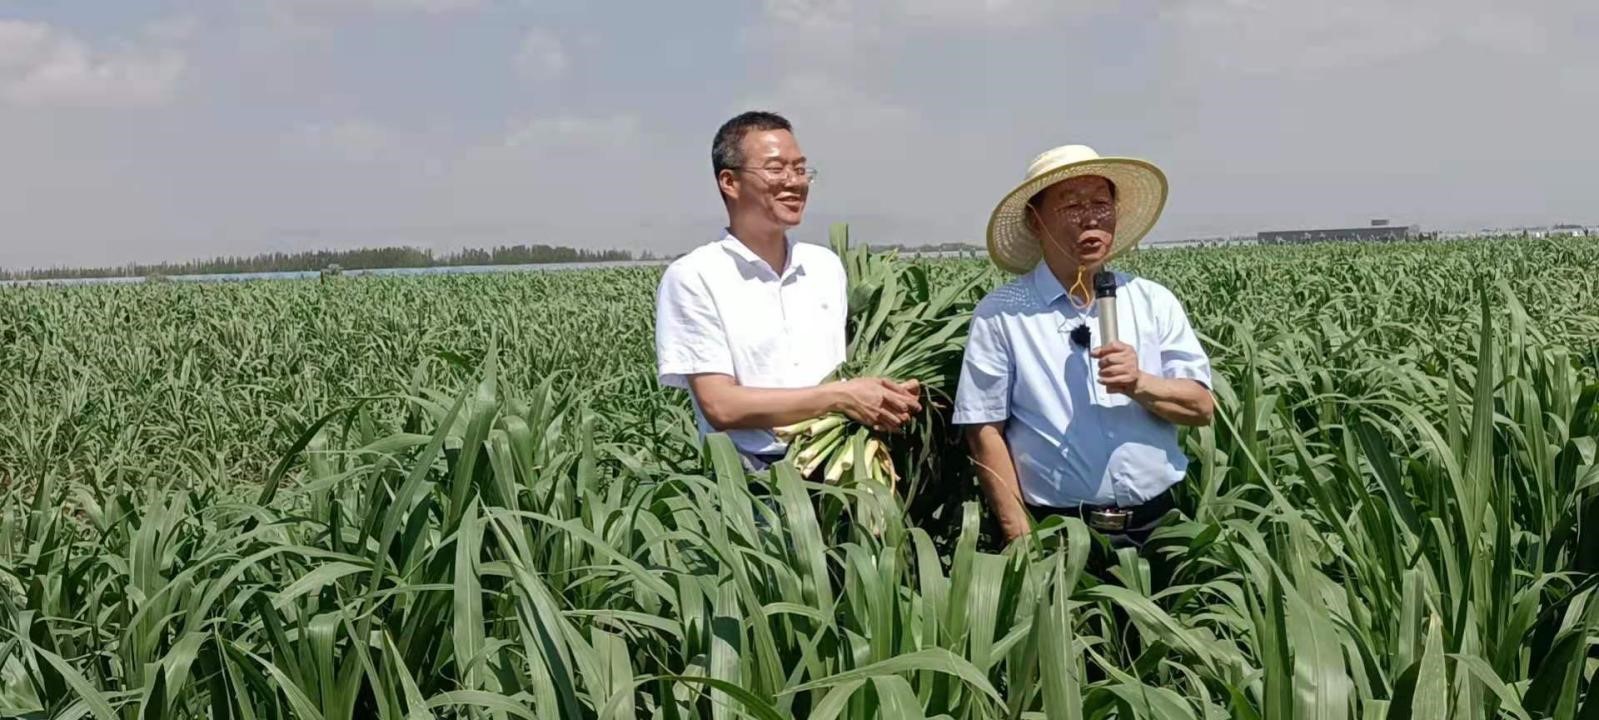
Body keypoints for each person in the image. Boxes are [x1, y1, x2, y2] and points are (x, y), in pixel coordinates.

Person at [952, 144, 1214, 554]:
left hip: (1160, 527)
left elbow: (1200, 406)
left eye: (1100, 203)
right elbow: (983, 429)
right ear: (1034, 221)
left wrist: (1140, 383)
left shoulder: (1152, 300)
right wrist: (1021, 537)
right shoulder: (1001, 314)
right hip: (1059, 534)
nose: (1090, 217)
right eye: (1071, 206)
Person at [654, 111, 921, 471]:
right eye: (776, 169)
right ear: (729, 182)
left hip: (842, 466)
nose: (794, 181)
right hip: (754, 482)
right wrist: (842, 396)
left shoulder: (824, 266)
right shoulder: (694, 276)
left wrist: (887, 394)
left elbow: (839, 369)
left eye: (800, 169)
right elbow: (721, 406)